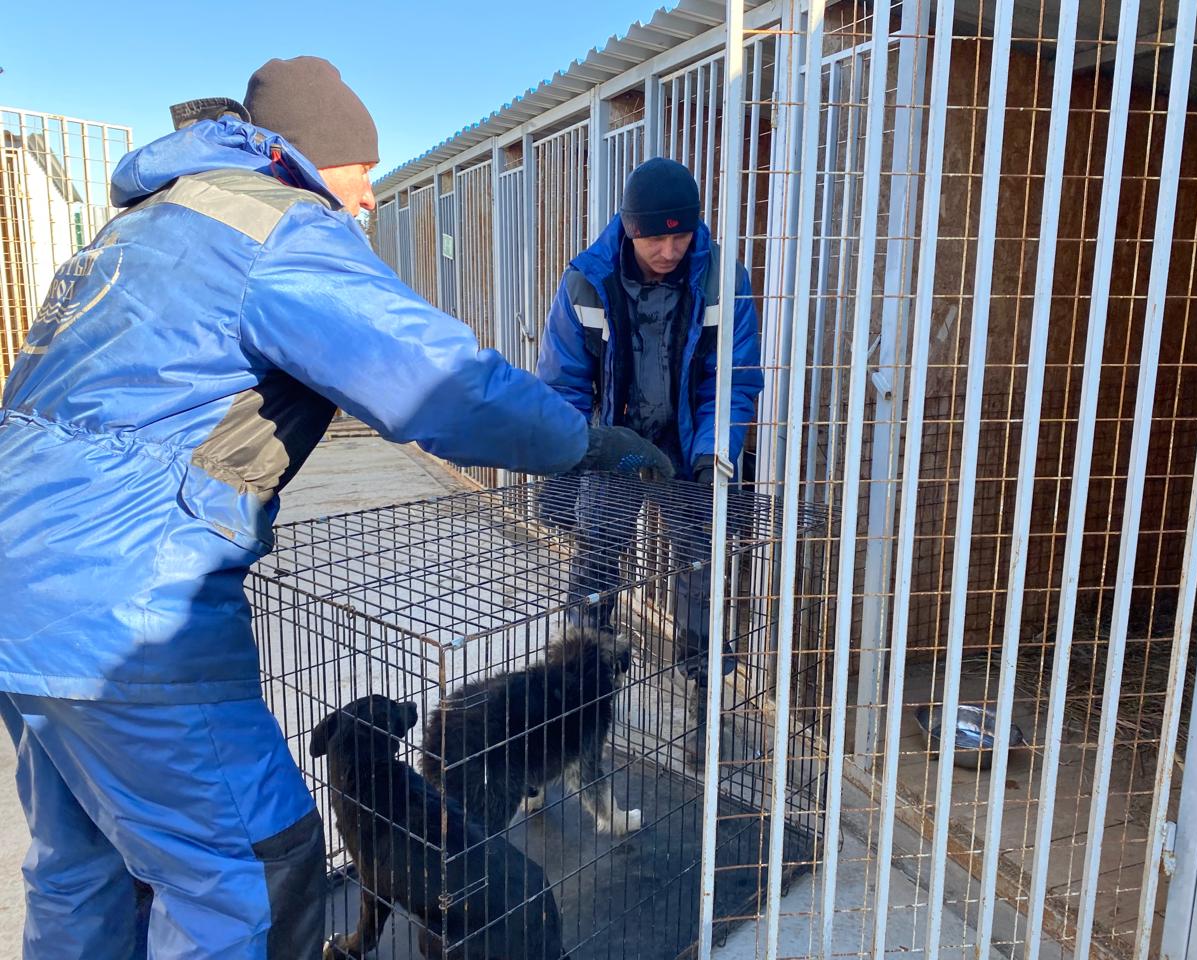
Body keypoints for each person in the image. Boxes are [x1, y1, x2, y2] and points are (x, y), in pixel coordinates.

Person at [0, 56, 670, 959]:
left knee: (86, 865)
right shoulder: (277, 226)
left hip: (21, 604)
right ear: (313, 156)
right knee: (252, 872)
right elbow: (442, 383)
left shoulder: (135, 231)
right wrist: (578, 440)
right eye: (362, 176)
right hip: (126, 603)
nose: (366, 201)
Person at [536, 157, 763, 693]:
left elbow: (730, 381)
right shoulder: (586, 282)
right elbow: (564, 382)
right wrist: (572, 452)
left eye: (680, 236)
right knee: (596, 547)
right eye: (653, 240)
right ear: (629, 229)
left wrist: (715, 455)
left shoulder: (722, 282)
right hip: (616, 442)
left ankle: (702, 670)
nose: (668, 252)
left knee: (698, 556)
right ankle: (584, 665)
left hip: (688, 443)